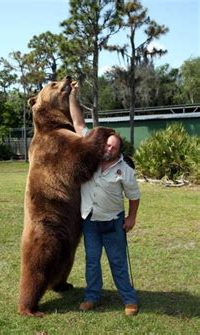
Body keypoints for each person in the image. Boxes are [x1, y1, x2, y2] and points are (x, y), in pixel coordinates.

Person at [69, 81, 140, 316]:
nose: (108, 149)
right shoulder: (91, 152)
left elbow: (134, 196)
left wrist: (131, 217)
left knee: (118, 263)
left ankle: (129, 299)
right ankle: (92, 297)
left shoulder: (125, 170)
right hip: (90, 219)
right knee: (91, 262)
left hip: (113, 222)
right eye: (107, 145)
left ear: (119, 151)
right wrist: (73, 95)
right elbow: (79, 123)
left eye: (114, 147)